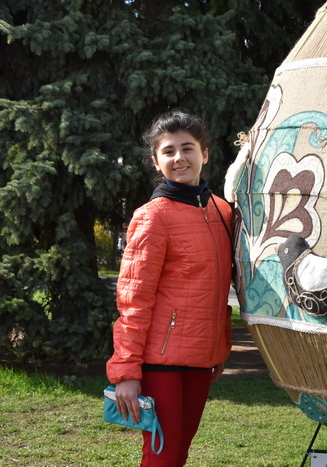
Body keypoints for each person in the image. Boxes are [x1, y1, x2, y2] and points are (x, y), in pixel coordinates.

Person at [106, 110, 233, 466]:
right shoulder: (153, 216)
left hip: (202, 358)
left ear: (204, 154)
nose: (179, 158)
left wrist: (219, 346)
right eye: (169, 151)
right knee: (162, 456)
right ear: (156, 161)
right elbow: (133, 299)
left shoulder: (223, 211)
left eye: (187, 148)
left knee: (179, 455)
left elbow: (220, 287)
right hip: (159, 361)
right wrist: (126, 372)